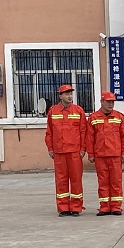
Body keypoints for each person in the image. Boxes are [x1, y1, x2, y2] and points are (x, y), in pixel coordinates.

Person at [44, 83, 87, 216]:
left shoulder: (78, 111)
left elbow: (83, 131)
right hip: (59, 152)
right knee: (61, 180)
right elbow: (49, 132)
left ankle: (76, 207)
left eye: (70, 94)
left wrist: (83, 148)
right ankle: (63, 208)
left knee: (76, 179)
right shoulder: (53, 111)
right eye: (67, 94)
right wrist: (50, 148)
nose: (69, 96)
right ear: (60, 96)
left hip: (74, 152)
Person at [86, 91, 124, 216]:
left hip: (115, 155)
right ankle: (104, 207)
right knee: (103, 182)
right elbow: (89, 138)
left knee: (116, 181)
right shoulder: (94, 118)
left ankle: (116, 207)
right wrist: (90, 154)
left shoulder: (119, 117)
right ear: (101, 102)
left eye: (112, 102)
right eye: (108, 102)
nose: (111, 104)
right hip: (100, 155)